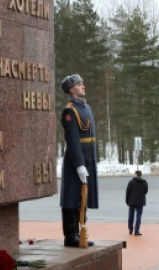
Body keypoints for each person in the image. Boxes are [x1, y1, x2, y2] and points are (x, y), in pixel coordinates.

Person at [59, 74, 98, 248]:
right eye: (79, 84)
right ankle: (70, 235)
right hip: (76, 159)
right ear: (71, 89)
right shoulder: (70, 110)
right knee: (71, 197)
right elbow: (73, 139)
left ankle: (80, 231)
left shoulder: (85, 107)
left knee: (83, 197)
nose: (83, 86)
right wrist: (80, 164)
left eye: (82, 83)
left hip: (88, 156)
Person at [125, 170, 148, 235]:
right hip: (140, 202)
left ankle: (130, 229)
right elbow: (146, 191)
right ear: (141, 175)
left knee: (130, 216)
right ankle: (137, 230)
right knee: (138, 216)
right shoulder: (144, 182)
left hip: (131, 201)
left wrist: (127, 201)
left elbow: (127, 192)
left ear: (135, 174)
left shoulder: (131, 182)